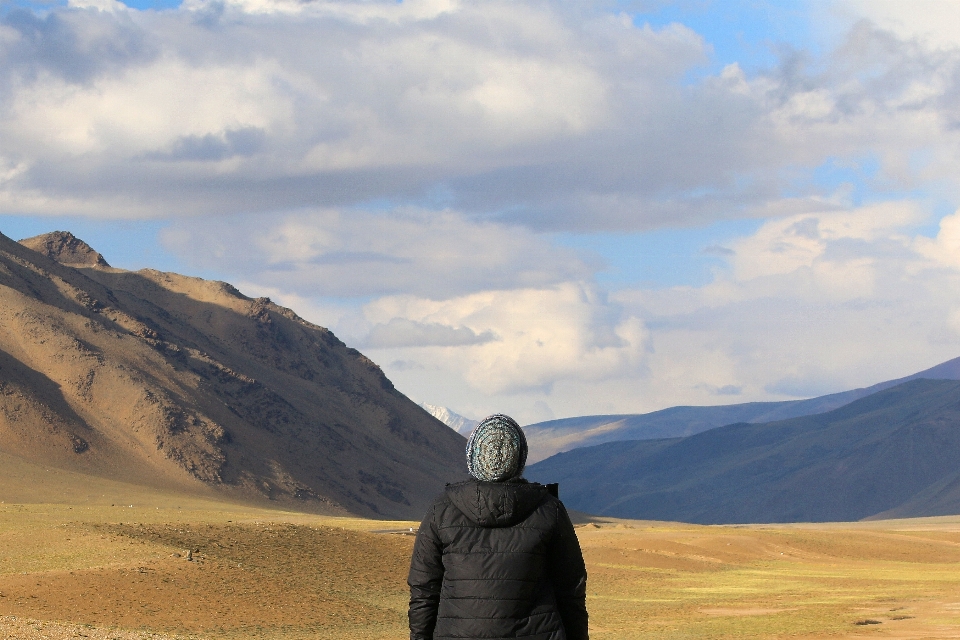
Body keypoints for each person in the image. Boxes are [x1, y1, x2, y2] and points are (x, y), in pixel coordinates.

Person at [408, 414, 588, 640]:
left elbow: (423, 589)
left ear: (472, 456)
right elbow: (571, 590)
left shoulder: (441, 510)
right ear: (520, 458)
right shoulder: (549, 510)